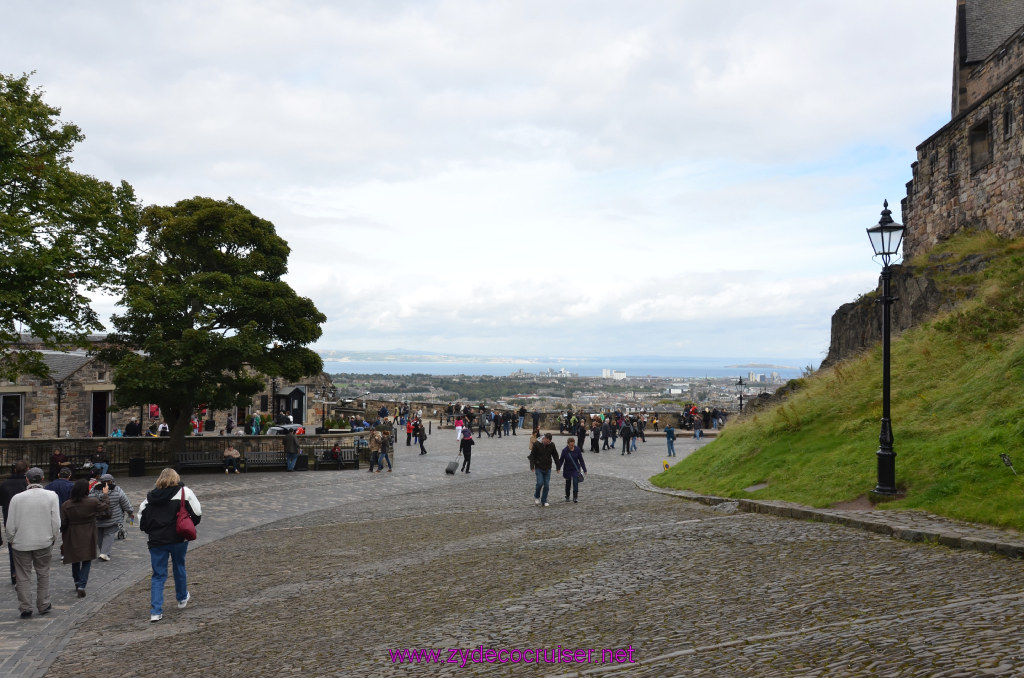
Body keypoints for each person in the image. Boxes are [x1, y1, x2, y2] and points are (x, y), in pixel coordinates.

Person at [139, 468, 201, 622]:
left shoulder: (149, 498)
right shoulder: (184, 492)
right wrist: (189, 523)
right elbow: (197, 513)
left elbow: (142, 521)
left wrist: (152, 531)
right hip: (178, 538)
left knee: (158, 574)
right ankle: (181, 598)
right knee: (179, 566)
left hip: (157, 541)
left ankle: (156, 611)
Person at [7, 467, 60, 618]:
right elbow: (56, 521)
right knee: (43, 573)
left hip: (21, 542)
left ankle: (25, 607)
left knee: (23, 576)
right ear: (42, 478)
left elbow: (10, 524)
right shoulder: (51, 496)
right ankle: (43, 604)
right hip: (43, 541)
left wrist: (12, 540)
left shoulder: (17, 498)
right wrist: (53, 537)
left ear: (27, 480)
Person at [60, 478, 110, 597]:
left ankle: (77, 581)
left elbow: (63, 522)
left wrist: (64, 533)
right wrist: (105, 495)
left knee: (75, 559)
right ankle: (82, 584)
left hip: (73, 532)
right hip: (88, 531)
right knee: (87, 559)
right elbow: (105, 506)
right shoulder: (92, 502)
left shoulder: (67, 504)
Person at [90, 474, 134, 561]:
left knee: (100, 534)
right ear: (112, 481)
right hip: (112, 517)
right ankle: (104, 553)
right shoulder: (117, 489)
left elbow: (90, 500)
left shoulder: (94, 489)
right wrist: (130, 511)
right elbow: (125, 501)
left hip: (98, 517)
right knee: (109, 534)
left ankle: (103, 551)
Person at [1, 459, 29, 585]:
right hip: (26, 519)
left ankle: (14, 573)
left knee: (12, 546)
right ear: (27, 469)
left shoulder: (4, 484)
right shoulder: (27, 484)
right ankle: (24, 573)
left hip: (9, 519)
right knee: (27, 547)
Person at [528, 433, 561, 507]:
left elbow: (555, 455)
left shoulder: (551, 445)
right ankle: (537, 496)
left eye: (549, 442)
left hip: (547, 468)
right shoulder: (536, 444)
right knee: (540, 483)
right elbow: (532, 456)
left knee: (546, 485)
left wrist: (558, 466)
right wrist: (532, 466)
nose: (547, 443)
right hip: (539, 467)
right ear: (544, 438)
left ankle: (544, 500)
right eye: (547, 441)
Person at [559, 438, 587, 503]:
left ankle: (575, 497)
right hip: (567, 468)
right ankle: (567, 496)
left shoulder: (577, 449)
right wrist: (558, 467)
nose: (572, 446)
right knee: (568, 483)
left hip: (575, 468)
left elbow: (581, 460)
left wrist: (584, 469)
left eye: (573, 445)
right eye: (571, 445)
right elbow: (561, 460)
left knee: (575, 482)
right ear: (568, 444)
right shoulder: (565, 450)